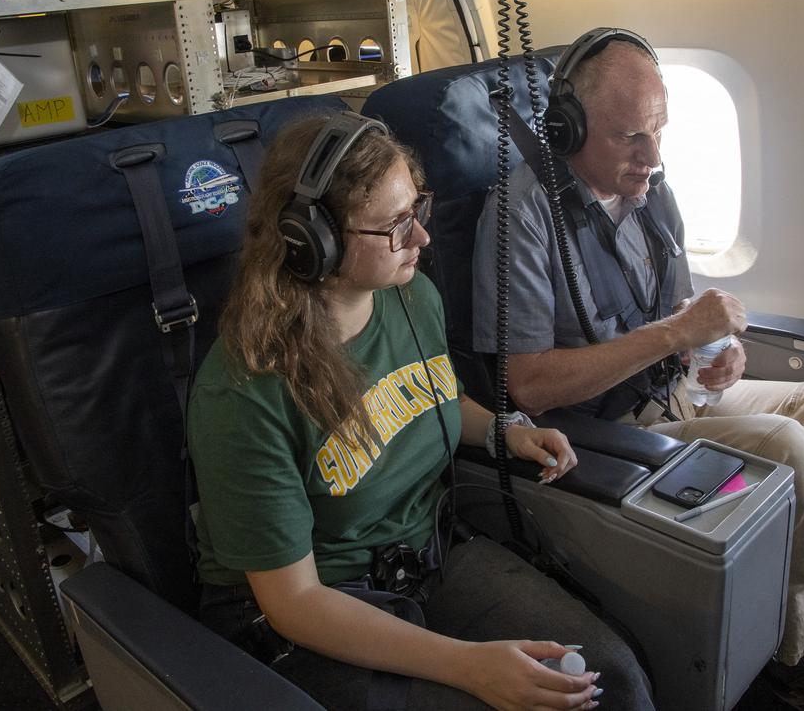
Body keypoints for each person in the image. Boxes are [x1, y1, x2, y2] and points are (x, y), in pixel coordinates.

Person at [471, 29, 804, 711]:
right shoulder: (522, 217)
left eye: (660, 131)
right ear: (569, 128)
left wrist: (711, 350)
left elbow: (677, 307)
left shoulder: (653, 191)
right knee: (791, 451)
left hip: (684, 395)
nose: (653, 156)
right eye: (630, 138)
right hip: (612, 430)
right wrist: (675, 333)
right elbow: (527, 383)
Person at [188, 111, 655, 710]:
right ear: (314, 241)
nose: (422, 239)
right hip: (313, 610)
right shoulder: (243, 393)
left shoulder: (412, 297)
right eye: (395, 225)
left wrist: (502, 430)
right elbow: (294, 602)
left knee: (608, 675)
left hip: (422, 556)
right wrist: (469, 666)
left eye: (419, 211)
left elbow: (430, 396)